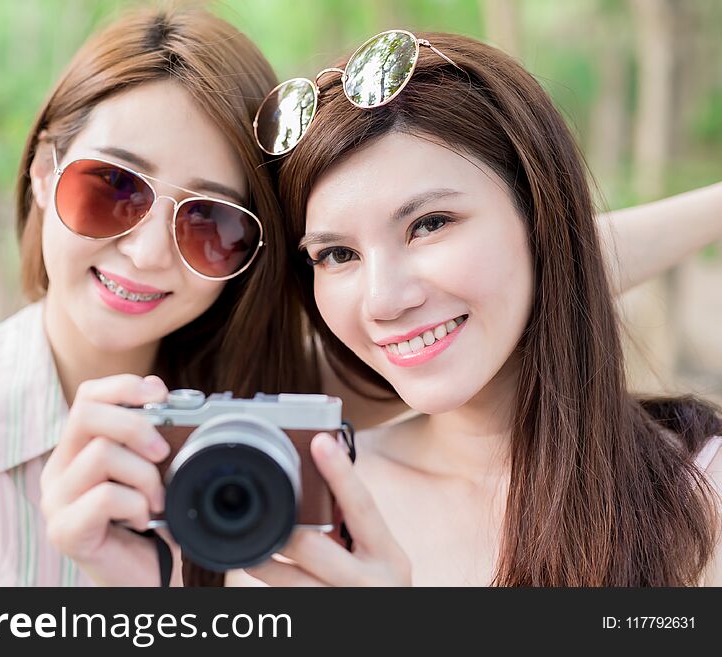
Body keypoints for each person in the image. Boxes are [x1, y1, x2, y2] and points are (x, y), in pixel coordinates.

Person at [0, 11, 719, 587]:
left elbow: (525, 280)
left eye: (210, 222)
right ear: (40, 173)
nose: (147, 248)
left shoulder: (276, 422)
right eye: (113, 187)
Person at [238, 29, 722, 586]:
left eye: (429, 225)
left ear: (542, 216)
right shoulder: (297, 508)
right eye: (337, 254)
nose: (383, 301)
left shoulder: (696, 494)